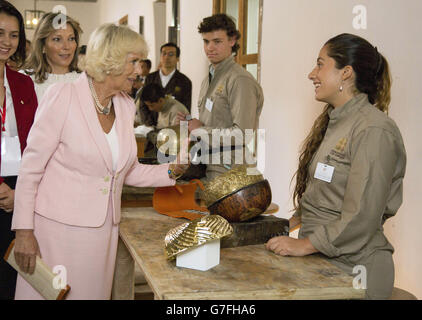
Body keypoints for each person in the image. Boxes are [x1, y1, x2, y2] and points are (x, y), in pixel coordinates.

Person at [11, 23, 188, 300]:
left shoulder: (125, 106)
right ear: (111, 60)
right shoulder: (63, 97)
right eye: (134, 61)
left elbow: (122, 170)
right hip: (57, 233)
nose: (140, 70)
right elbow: (31, 169)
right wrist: (23, 232)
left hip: (103, 234)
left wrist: (171, 170)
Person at [265, 33, 406, 300]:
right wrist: (284, 226)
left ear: (346, 73)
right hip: (321, 258)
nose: (311, 74)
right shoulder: (335, 122)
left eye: (320, 64)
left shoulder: (374, 129)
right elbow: (326, 197)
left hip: (354, 269)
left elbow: (362, 215)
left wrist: (305, 244)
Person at [177, 13, 264, 182]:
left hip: (230, 173)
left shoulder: (239, 79)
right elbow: (216, 122)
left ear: (232, 41)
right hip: (208, 166)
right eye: (206, 41)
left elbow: (241, 134)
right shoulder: (209, 78)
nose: (210, 48)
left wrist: (200, 130)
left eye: (217, 41)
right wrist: (191, 123)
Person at [0, 0, 38, 300]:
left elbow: (36, 146)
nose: (7, 42)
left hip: (15, 193)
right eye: (0, 32)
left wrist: (20, 194)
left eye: (14, 35)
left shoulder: (23, 84)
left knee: (11, 280)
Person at [24, 12, 82, 101]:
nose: (66, 46)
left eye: (71, 39)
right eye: (57, 39)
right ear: (42, 45)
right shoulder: (24, 80)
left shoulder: (85, 81)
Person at [139, 43, 192, 126]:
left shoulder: (184, 81)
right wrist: (150, 125)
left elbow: (187, 109)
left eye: (171, 54)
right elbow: (142, 104)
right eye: (164, 54)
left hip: (173, 128)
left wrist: (185, 125)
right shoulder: (150, 78)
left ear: (177, 59)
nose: (166, 57)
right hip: (151, 127)